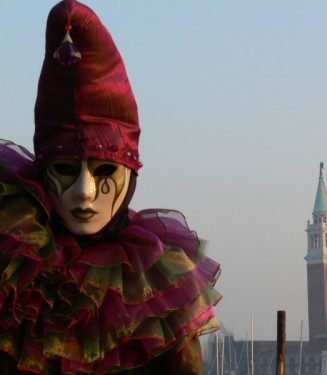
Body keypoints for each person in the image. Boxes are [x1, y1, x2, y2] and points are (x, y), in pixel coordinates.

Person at [0, 1, 221, 373]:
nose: (84, 192)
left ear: (130, 172)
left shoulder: (155, 287)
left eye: (104, 170)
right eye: (66, 170)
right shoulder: (13, 279)